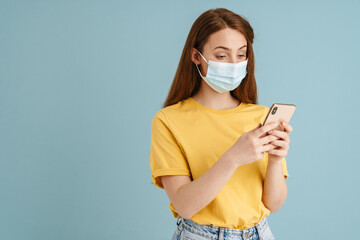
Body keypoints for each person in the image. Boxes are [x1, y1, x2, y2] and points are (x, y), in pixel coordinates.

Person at [150, 8, 293, 240]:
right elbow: (185, 206)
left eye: (241, 54)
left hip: (260, 233)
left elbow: (273, 204)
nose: (234, 64)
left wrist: (276, 160)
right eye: (221, 55)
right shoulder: (168, 120)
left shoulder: (260, 116)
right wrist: (234, 156)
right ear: (196, 56)